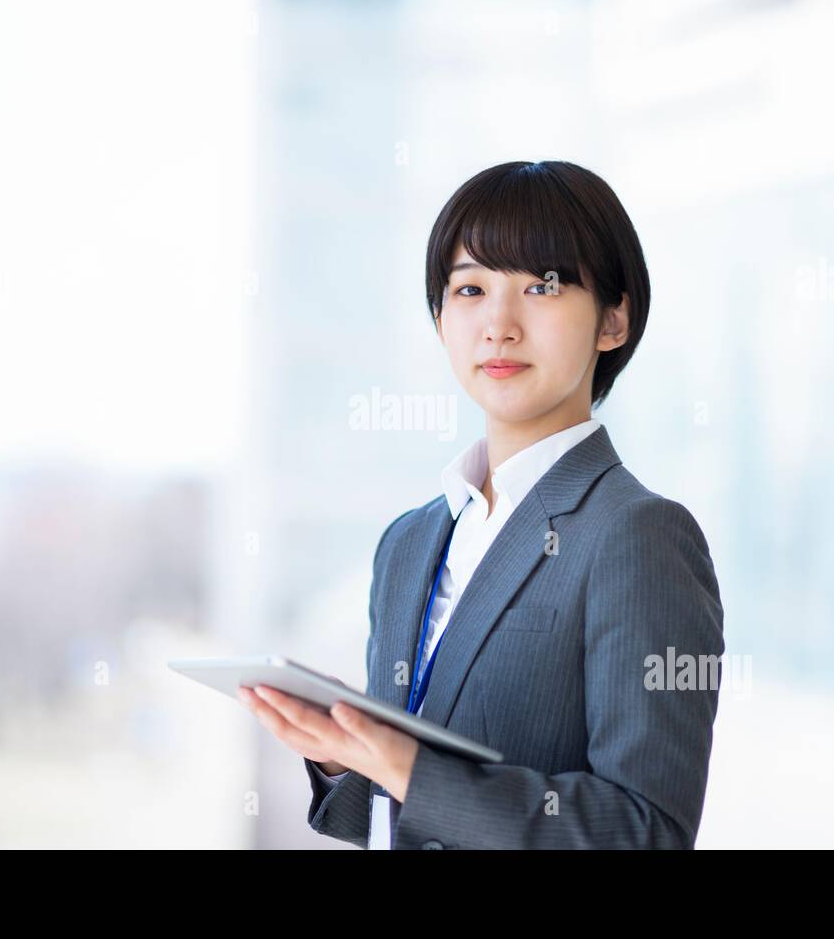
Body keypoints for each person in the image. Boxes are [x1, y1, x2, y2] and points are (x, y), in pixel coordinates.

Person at [238, 160, 725, 849]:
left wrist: (404, 762)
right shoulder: (408, 544)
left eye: (540, 287)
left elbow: (644, 832)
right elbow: (400, 819)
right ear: (440, 319)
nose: (499, 324)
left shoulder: (638, 534)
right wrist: (345, 751)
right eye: (470, 288)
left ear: (613, 320)